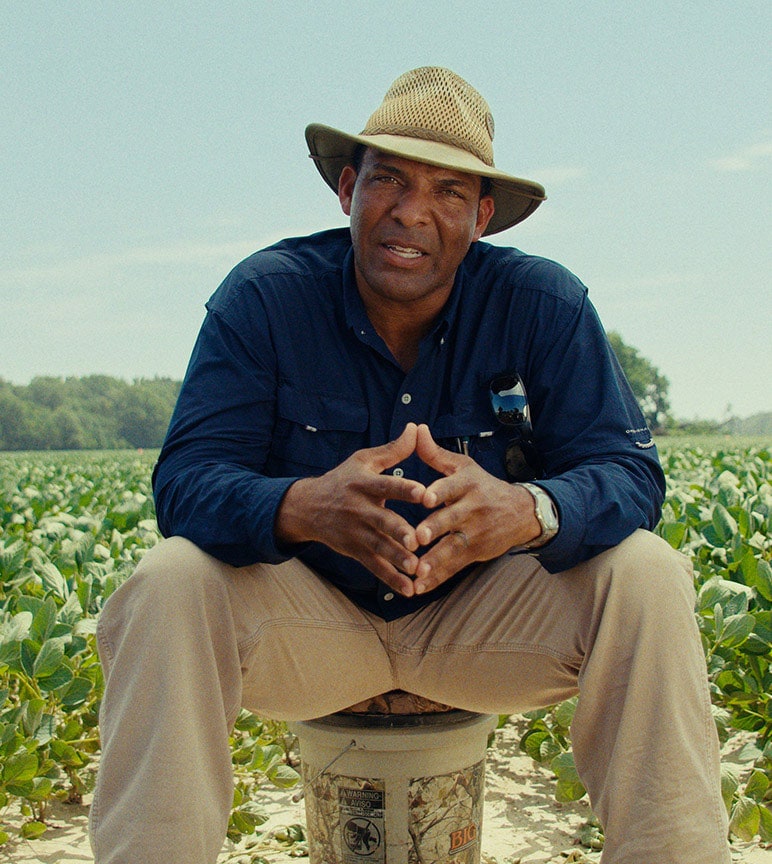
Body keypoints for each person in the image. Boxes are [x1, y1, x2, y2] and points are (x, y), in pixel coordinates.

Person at [89, 67, 731, 864]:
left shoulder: (542, 304)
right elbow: (185, 483)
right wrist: (303, 506)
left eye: (448, 192)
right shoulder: (266, 298)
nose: (411, 212)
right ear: (348, 189)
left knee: (648, 574)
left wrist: (527, 512)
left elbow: (629, 474)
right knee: (167, 582)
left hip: (485, 627)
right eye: (389, 179)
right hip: (313, 627)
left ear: (482, 216)